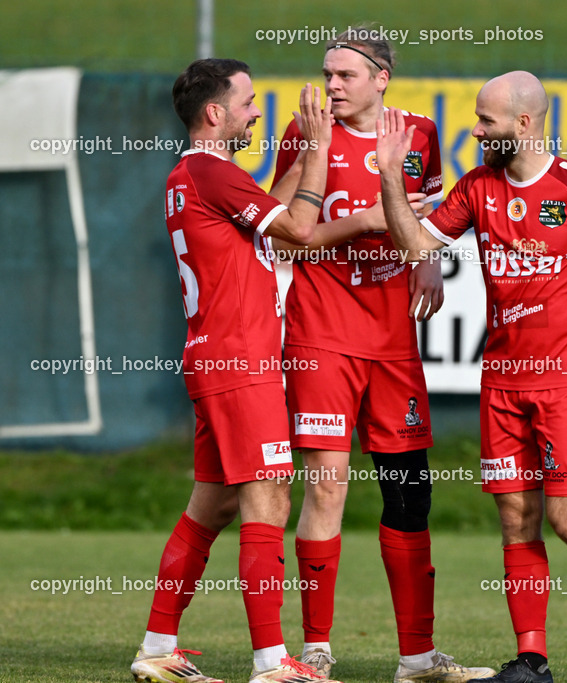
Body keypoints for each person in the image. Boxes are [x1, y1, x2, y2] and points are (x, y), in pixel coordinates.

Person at [375, 71, 567, 683]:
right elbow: (415, 250)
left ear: (524, 124)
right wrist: (388, 178)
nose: (475, 131)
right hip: (503, 379)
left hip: (566, 379)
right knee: (515, 516)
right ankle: (533, 659)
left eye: (486, 121)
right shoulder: (477, 188)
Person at [270, 28, 493, 683]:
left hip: (393, 337)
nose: (332, 85)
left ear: (381, 78)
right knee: (329, 485)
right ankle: (315, 650)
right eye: (327, 73)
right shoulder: (304, 130)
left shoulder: (419, 133)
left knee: (408, 492)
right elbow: (284, 240)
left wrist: (427, 262)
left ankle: (418, 658)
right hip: (321, 332)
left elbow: (423, 222)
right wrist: (360, 218)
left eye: (345, 75)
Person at [132, 58, 344, 683]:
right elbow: (299, 232)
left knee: (212, 508)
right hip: (240, 363)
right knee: (269, 498)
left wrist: (304, 155)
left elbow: (267, 220)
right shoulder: (210, 170)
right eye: (248, 102)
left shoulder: (194, 175)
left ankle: (156, 648)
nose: (256, 113)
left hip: (215, 358)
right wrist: (325, 151)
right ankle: (273, 663)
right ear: (215, 113)